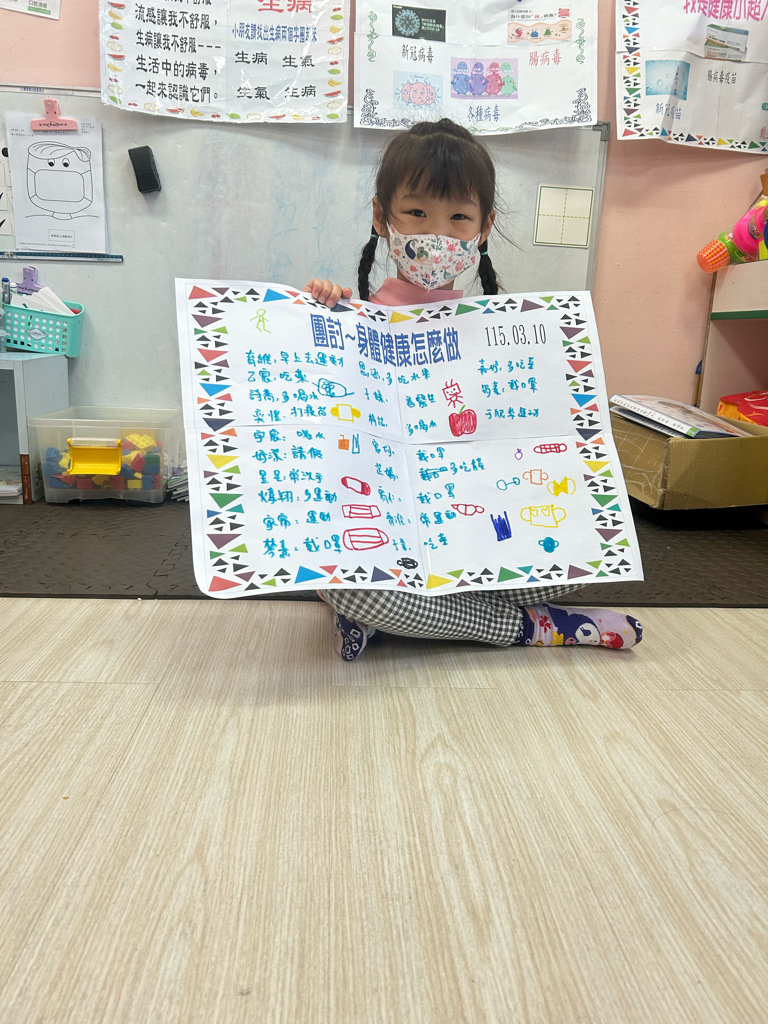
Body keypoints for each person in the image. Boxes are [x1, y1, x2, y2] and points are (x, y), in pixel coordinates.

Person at [304, 118, 643, 661]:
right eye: (417, 213)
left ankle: (407, 619)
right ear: (381, 216)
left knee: (582, 554)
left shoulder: (500, 337)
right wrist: (318, 310)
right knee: (352, 587)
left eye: (458, 217)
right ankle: (532, 628)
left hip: (469, 530)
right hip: (389, 539)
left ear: (484, 227)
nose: (438, 233)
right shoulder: (351, 320)